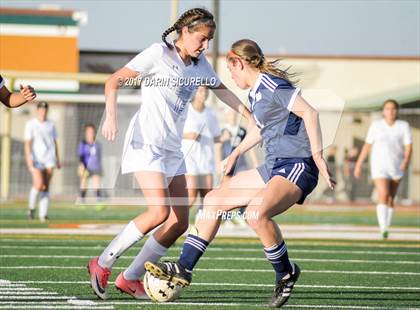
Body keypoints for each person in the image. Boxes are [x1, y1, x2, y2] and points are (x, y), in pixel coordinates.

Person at [145, 39, 335, 308]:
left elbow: (310, 113)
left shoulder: (271, 84)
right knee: (213, 201)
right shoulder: (256, 92)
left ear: (240, 63)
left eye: (231, 68)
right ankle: (184, 267)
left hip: (297, 164)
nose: (231, 75)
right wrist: (235, 154)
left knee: (256, 214)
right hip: (274, 166)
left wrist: (317, 156)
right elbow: (259, 128)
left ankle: (286, 273)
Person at [87, 8, 252, 300]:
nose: (205, 45)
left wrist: (250, 116)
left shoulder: (200, 66)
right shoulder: (157, 53)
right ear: (185, 32)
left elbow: (223, 91)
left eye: (209, 40)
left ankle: (131, 278)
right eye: (202, 38)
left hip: (172, 150)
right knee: (159, 212)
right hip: (146, 144)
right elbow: (112, 81)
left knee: (179, 222)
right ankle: (102, 263)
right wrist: (110, 117)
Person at [354, 99, 412, 239]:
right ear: (383, 111)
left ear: (397, 111)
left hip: (396, 166)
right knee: (383, 194)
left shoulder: (403, 126)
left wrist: (405, 161)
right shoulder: (376, 125)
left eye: (393, 108)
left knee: (391, 198)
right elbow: (367, 145)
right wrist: (359, 163)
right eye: (387, 108)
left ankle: (387, 225)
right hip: (379, 165)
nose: (390, 111)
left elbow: (409, 147)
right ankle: (383, 228)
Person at [181, 86, 221, 214]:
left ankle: (202, 227)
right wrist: (189, 135)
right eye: (201, 91)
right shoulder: (185, 110)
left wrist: (219, 161)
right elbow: (173, 133)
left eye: (206, 91)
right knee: (191, 196)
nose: (204, 93)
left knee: (208, 198)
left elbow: (217, 137)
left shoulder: (211, 113)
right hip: (190, 159)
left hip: (206, 159)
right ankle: (171, 220)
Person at [24, 101, 60, 221]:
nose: (43, 112)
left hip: (49, 159)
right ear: (37, 110)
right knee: (39, 184)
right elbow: (27, 143)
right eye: (41, 109)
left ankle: (43, 214)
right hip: (37, 159)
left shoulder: (51, 124)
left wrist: (57, 158)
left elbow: (54, 142)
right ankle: (31, 208)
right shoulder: (31, 124)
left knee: (46, 186)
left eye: (45, 109)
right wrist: (29, 158)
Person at [78, 124, 103, 204]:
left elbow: (99, 156)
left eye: (92, 132)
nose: (90, 133)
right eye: (88, 132)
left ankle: (99, 200)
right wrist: (83, 167)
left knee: (97, 182)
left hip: (95, 166)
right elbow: (81, 156)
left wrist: (100, 167)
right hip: (86, 167)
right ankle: (82, 200)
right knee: (83, 182)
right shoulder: (83, 143)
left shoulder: (97, 144)